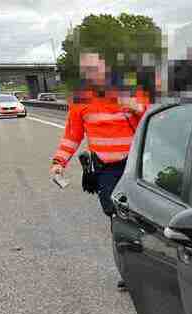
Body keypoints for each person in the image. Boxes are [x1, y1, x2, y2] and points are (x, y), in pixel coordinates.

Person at [48, 51, 147, 288]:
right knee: (116, 216)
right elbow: (72, 136)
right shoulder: (80, 100)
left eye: (97, 69)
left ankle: (151, 263)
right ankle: (129, 270)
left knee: (143, 215)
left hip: (136, 165)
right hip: (106, 169)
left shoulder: (129, 91)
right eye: (88, 70)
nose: (94, 75)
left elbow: (153, 121)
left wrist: (134, 106)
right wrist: (58, 162)